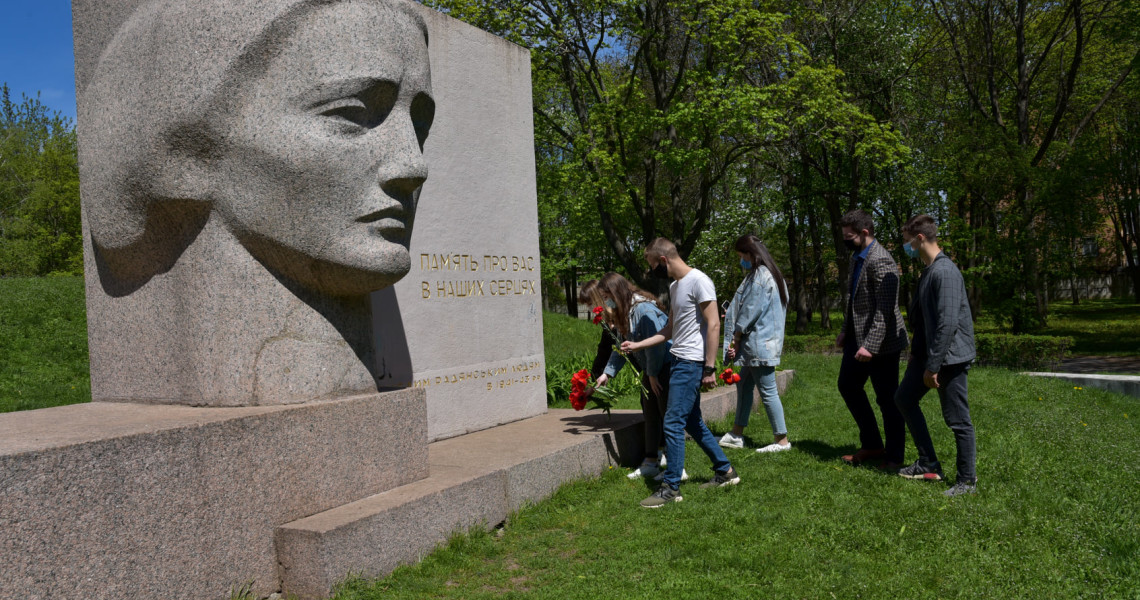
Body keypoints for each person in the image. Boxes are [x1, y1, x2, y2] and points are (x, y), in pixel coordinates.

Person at [623, 238, 738, 508]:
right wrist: (637, 344)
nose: (652, 272)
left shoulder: (700, 281)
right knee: (692, 421)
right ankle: (725, 470)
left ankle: (671, 487)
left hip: (691, 363)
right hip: (677, 360)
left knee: (672, 422)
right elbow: (669, 330)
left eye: (653, 266)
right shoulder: (675, 287)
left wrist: (709, 368)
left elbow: (713, 325)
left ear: (663, 260)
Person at [894, 215, 978, 497]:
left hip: (948, 359)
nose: (906, 248)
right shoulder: (929, 271)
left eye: (907, 242)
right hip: (927, 356)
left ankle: (967, 481)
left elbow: (948, 324)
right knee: (904, 398)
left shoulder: (945, 272)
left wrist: (933, 367)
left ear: (920, 239)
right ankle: (928, 462)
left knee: (957, 420)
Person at [835, 209, 909, 468]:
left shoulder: (882, 260)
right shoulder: (858, 256)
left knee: (887, 398)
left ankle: (894, 456)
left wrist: (871, 346)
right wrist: (846, 330)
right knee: (848, 386)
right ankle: (872, 444)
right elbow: (853, 299)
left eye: (849, 236)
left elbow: (885, 308)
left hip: (883, 343)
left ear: (865, 233)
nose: (846, 240)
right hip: (858, 337)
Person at [589, 273, 678, 480]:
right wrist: (607, 374)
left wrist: (653, 374)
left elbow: (656, 346)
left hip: (663, 367)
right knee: (650, 415)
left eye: (606, 296)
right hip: (651, 369)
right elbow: (622, 347)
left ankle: (675, 467)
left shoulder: (643, 310)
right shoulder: (626, 311)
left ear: (616, 292)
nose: (605, 301)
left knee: (668, 417)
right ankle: (650, 462)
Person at [720, 234, 792, 454]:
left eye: (742, 255)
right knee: (744, 385)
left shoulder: (761, 275)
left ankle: (782, 441)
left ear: (751, 254)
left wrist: (737, 335)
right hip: (758, 344)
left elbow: (750, 309)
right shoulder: (771, 274)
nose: (741, 260)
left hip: (759, 344)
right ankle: (736, 433)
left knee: (768, 391)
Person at [578, 279, 615, 380]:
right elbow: (604, 352)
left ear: (600, 298)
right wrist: (594, 380)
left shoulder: (619, 317)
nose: (589, 308)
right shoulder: (606, 323)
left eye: (590, 303)